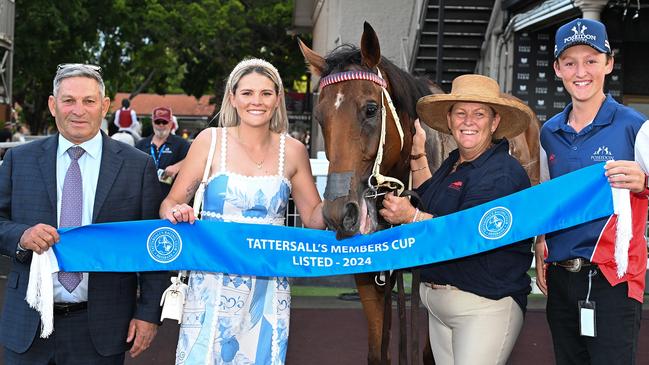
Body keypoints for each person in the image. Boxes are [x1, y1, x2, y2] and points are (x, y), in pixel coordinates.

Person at [0, 63, 169, 364]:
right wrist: (22, 236)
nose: (79, 110)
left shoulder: (137, 166)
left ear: (104, 106)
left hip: (101, 328)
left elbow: (154, 244)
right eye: (69, 100)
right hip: (28, 323)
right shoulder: (18, 160)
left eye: (89, 101)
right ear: (53, 105)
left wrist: (148, 313)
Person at [160, 58, 325, 365]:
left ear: (277, 100)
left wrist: (344, 202)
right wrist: (177, 211)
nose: (256, 101)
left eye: (266, 93)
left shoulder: (293, 151)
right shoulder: (209, 142)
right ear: (233, 98)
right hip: (212, 280)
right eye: (247, 93)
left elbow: (314, 218)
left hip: (269, 285)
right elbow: (169, 203)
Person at [379, 74, 534, 365]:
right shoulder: (454, 163)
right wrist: (417, 156)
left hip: (483, 306)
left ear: (495, 122)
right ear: (449, 120)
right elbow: (430, 198)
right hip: (441, 306)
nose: (468, 121)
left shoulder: (501, 174)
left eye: (479, 114)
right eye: (460, 113)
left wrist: (409, 216)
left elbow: (467, 233)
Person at [535, 18, 649, 364]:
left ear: (609, 63)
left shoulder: (636, 127)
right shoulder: (549, 132)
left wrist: (645, 182)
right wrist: (540, 241)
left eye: (591, 60)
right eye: (570, 62)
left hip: (613, 280)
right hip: (561, 279)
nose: (580, 71)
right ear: (557, 69)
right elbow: (546, 196)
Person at [135, 106, 190, 198]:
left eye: (164, 122)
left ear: (171, 123)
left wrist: (178, 166)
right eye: (157, 122)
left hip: (171, 197)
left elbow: (197, 159)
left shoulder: (181, 144)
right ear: (152, 122)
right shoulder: (141, 145)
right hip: (145, 196)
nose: (161, 125)